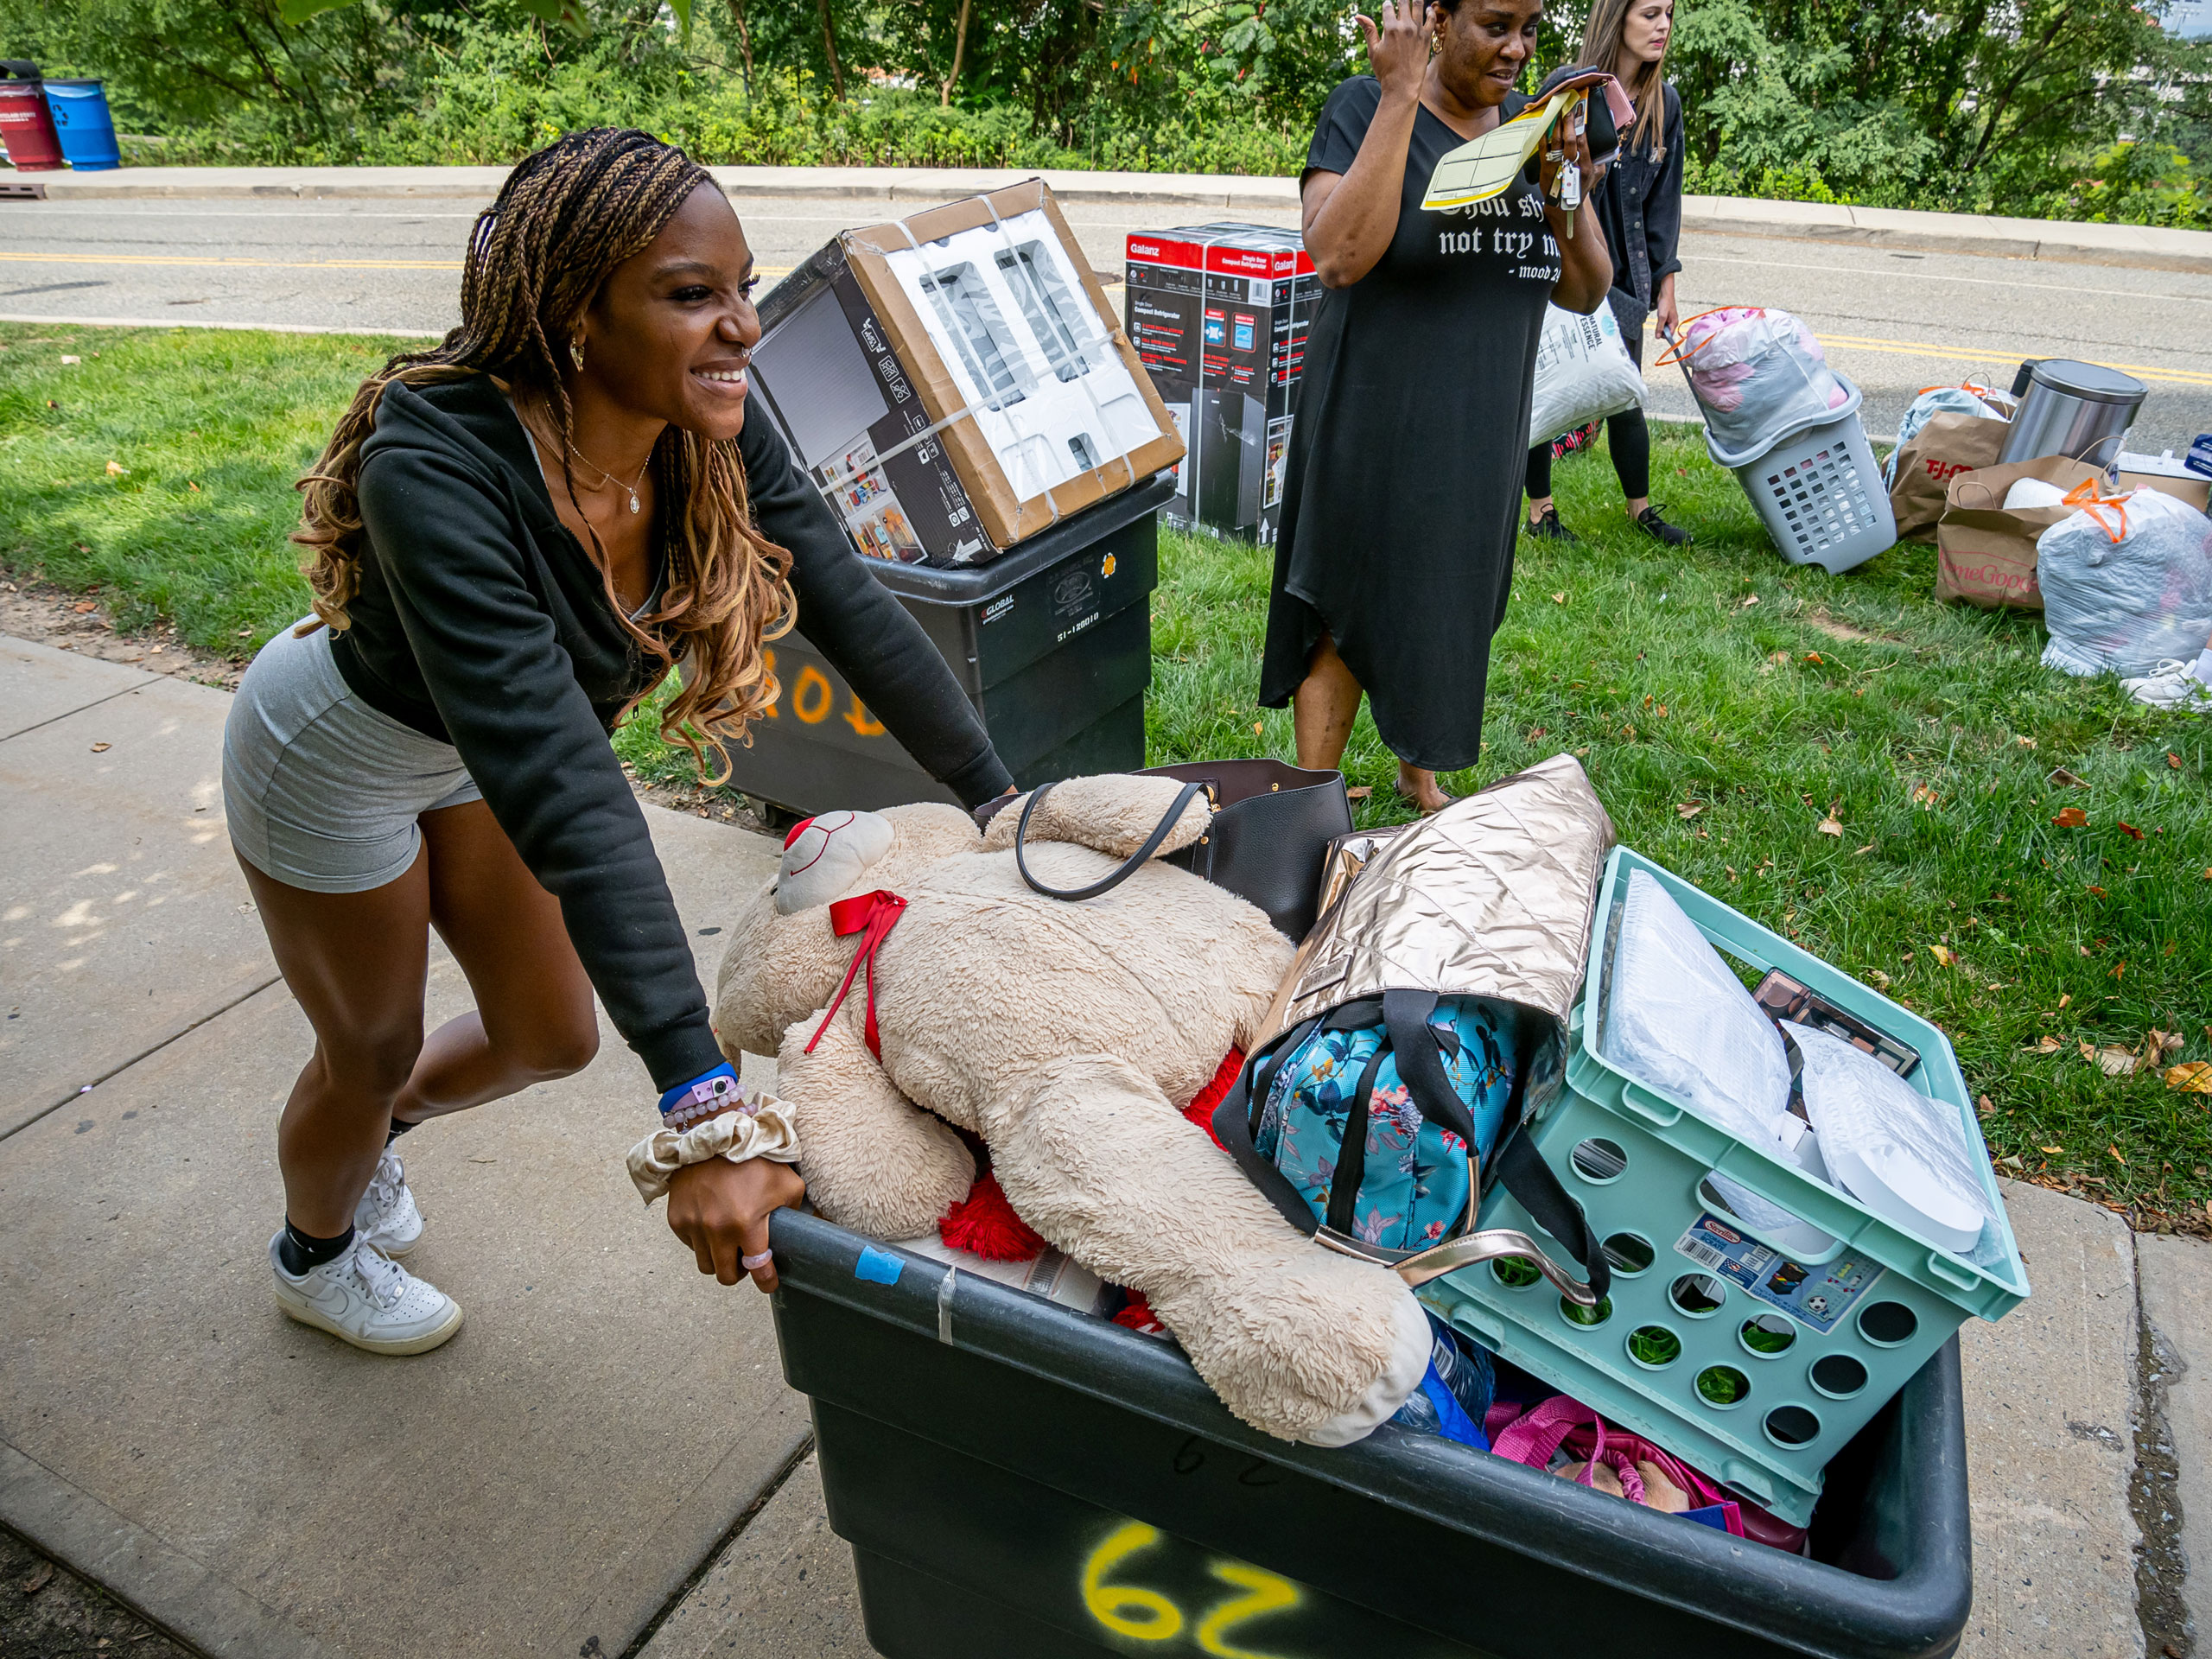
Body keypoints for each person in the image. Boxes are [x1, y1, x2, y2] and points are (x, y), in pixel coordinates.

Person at [223, 129, 1015, 1356]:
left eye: (743, 287)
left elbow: (854, 606)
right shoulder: (436, 463)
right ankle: (314, 1252)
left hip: (477, 756)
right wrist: (707, 1110)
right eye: (693, 296)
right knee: (371, 1045)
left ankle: (380, 1138)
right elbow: (562, 774)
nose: (743, 327)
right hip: (341, 751)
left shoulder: (708, 425)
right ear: (571, 313)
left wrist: (1003, 802)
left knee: (551, 1034)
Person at [1259, 0, 1611, 814]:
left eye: (1530, 28)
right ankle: (1317, 794)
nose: (1518, 48)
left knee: (1451, 599)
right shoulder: (1364, 106)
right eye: (1498, 25)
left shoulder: (1527, 129)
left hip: (1481, 418)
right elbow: (1337, 255)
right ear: (1440, 22)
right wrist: (1396, 97)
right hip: (1378, 414)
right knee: (1353, 598)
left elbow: (1587, 288)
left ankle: (1418, 772)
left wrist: (1564, 168)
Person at [1522, 0, 1690, 546]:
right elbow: (1534, 175)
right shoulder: (1571, 88)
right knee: (1546, 387)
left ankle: (1640, 510)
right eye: (1650, 14)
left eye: (1668, 14)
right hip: (1566, 262)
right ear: (1616, 19)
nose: (1663, 26)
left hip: (1628, 278)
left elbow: (1666, 203)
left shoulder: (1665, 104)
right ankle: (1540, 511)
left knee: (1626, 394)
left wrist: (1666, 284)